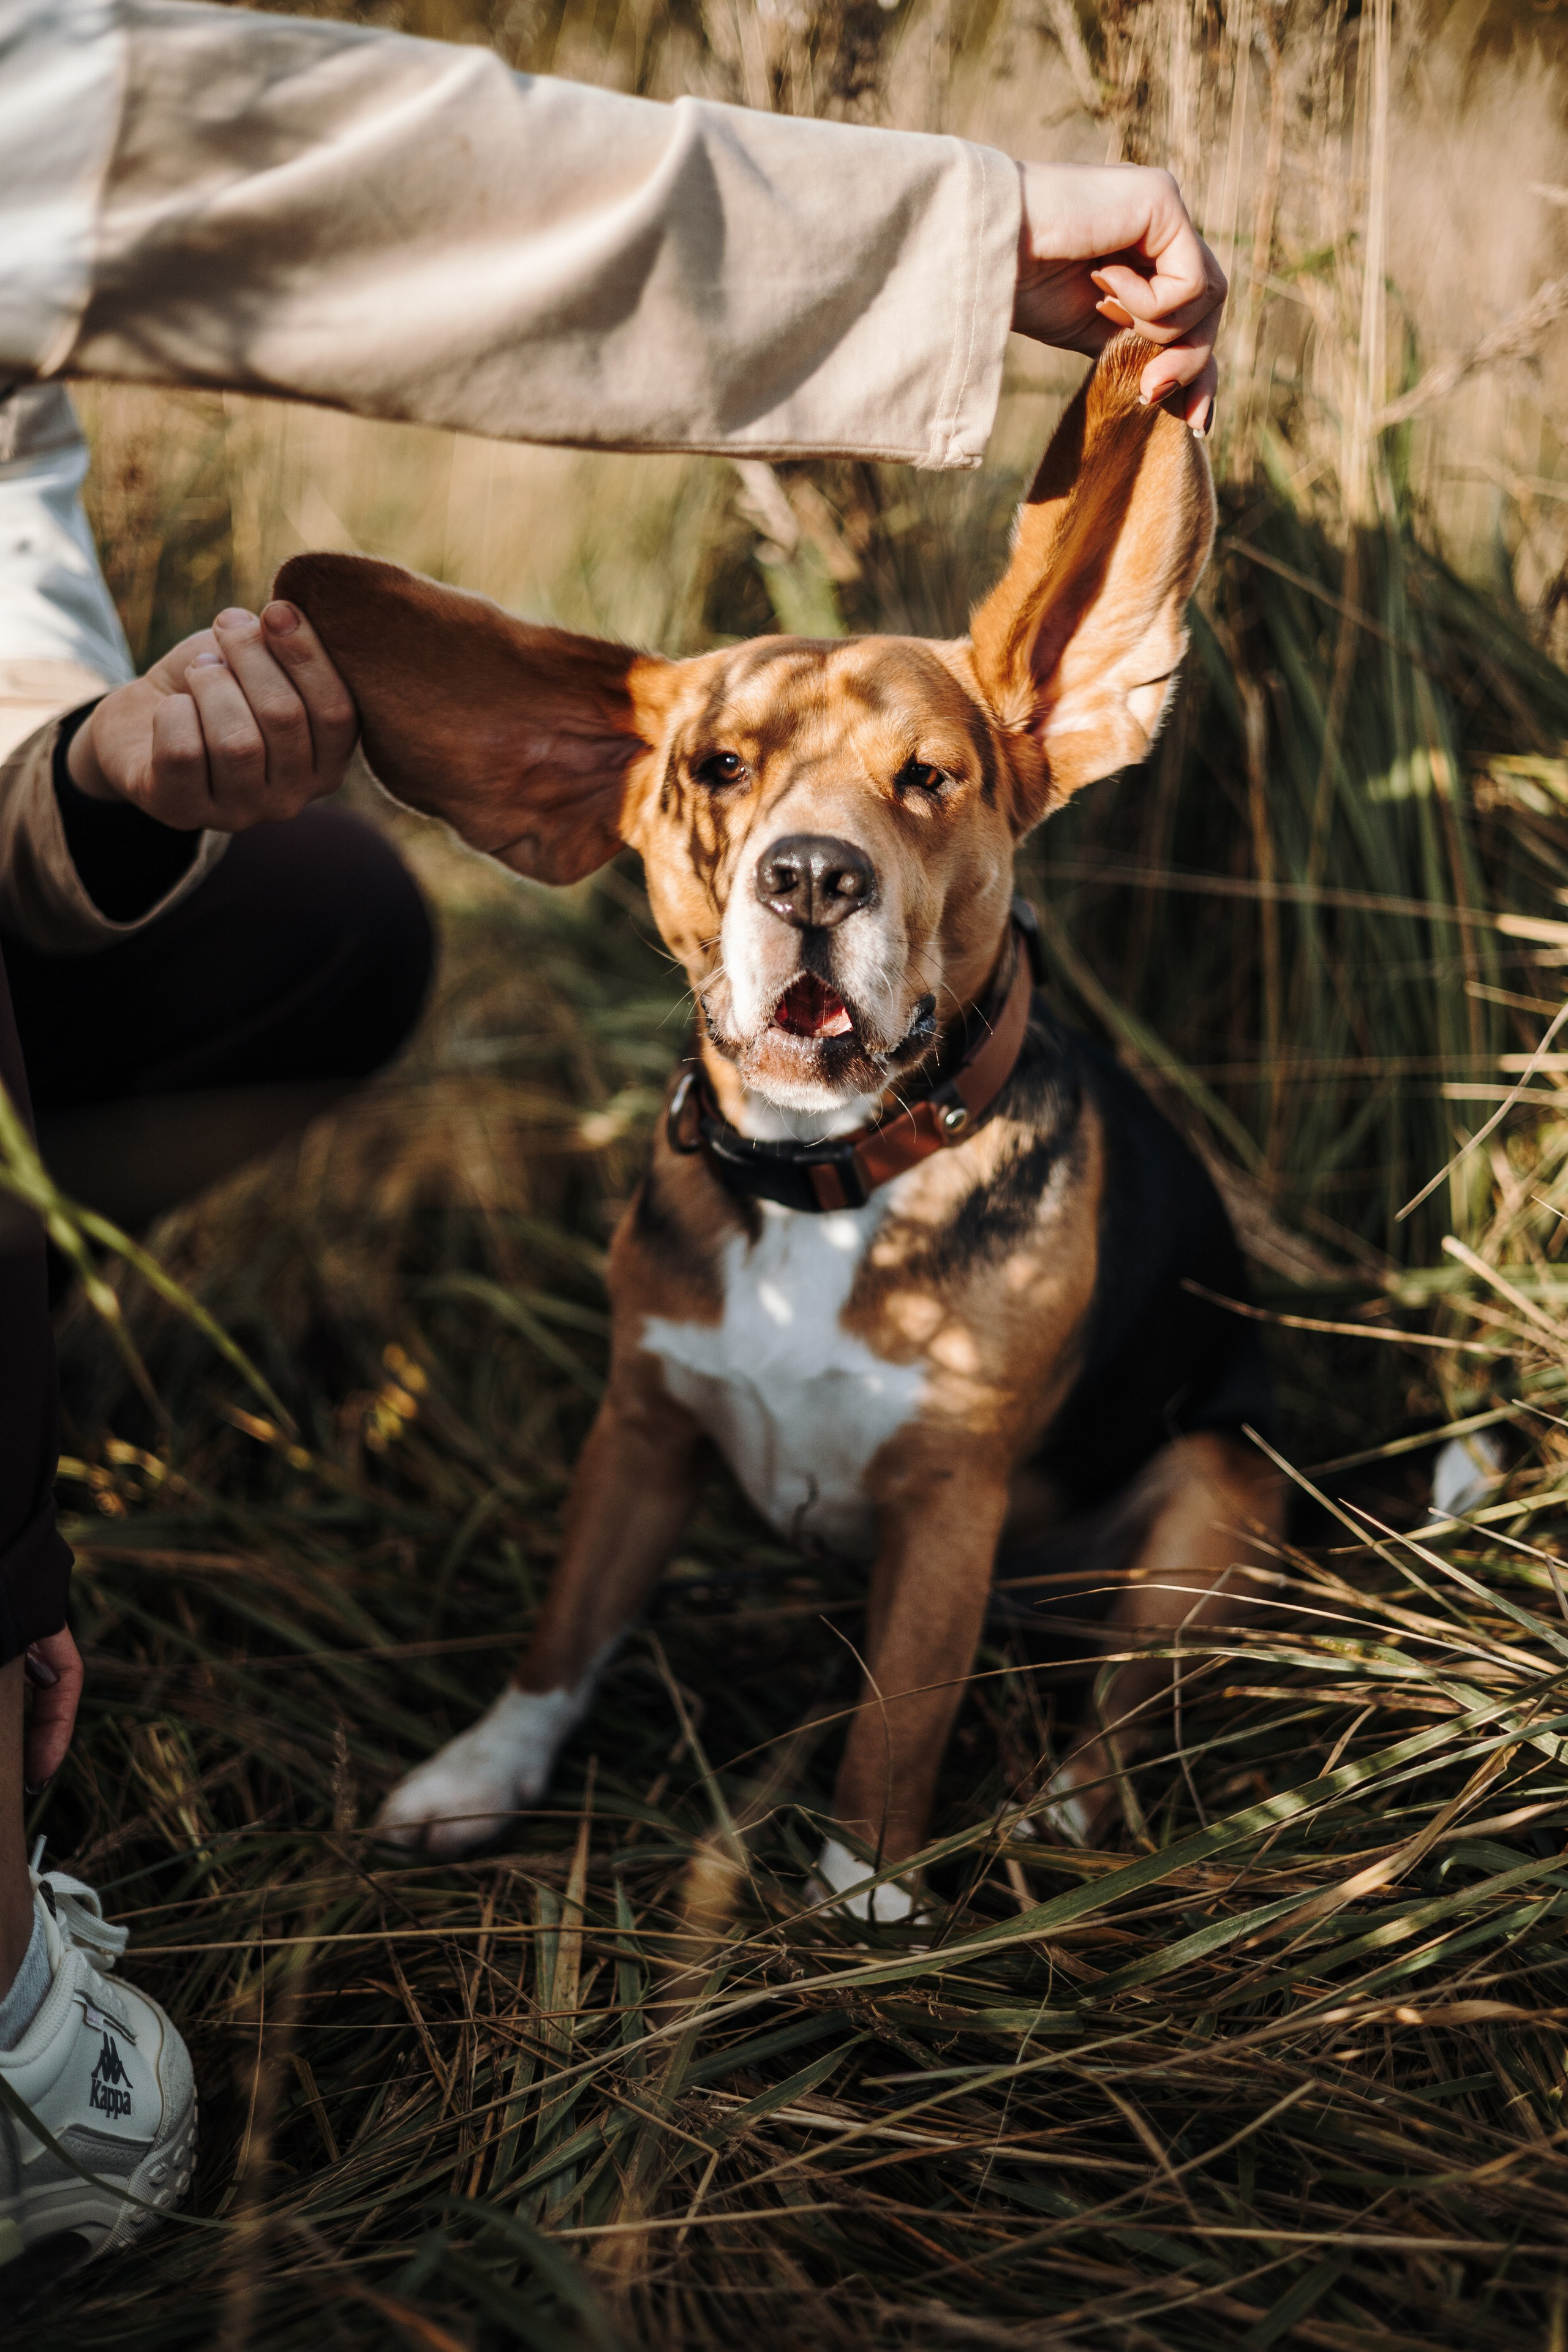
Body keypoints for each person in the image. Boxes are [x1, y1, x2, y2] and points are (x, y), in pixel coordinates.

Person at [0, 0, 1227, 2264]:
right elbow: (634, 1433)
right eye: (747, 793)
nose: (818, 852)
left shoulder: (1030, 1056)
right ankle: (524, 1722)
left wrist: (72, 771)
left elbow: (287, 156)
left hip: (1080, 1460)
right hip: (741, 1245)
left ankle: (1009, 1800)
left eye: (914, 789)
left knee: (1181, 1486)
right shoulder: (669, 1156)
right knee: (640, 1412)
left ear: (1036, 756)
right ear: (626, 814)